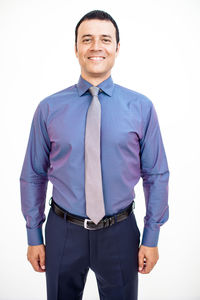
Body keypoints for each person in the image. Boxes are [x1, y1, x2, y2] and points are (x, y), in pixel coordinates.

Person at [19, 9, 170, 300]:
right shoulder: (49, 109)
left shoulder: (141, 107)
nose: (96, 46)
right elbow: (33, 175)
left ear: (117, 48)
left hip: (120, 232)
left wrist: (152, 237)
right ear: (76, 48)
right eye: (86, 39)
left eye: (105, 39)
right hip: (63, 231)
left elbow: (156, 174)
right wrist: (33, 235)